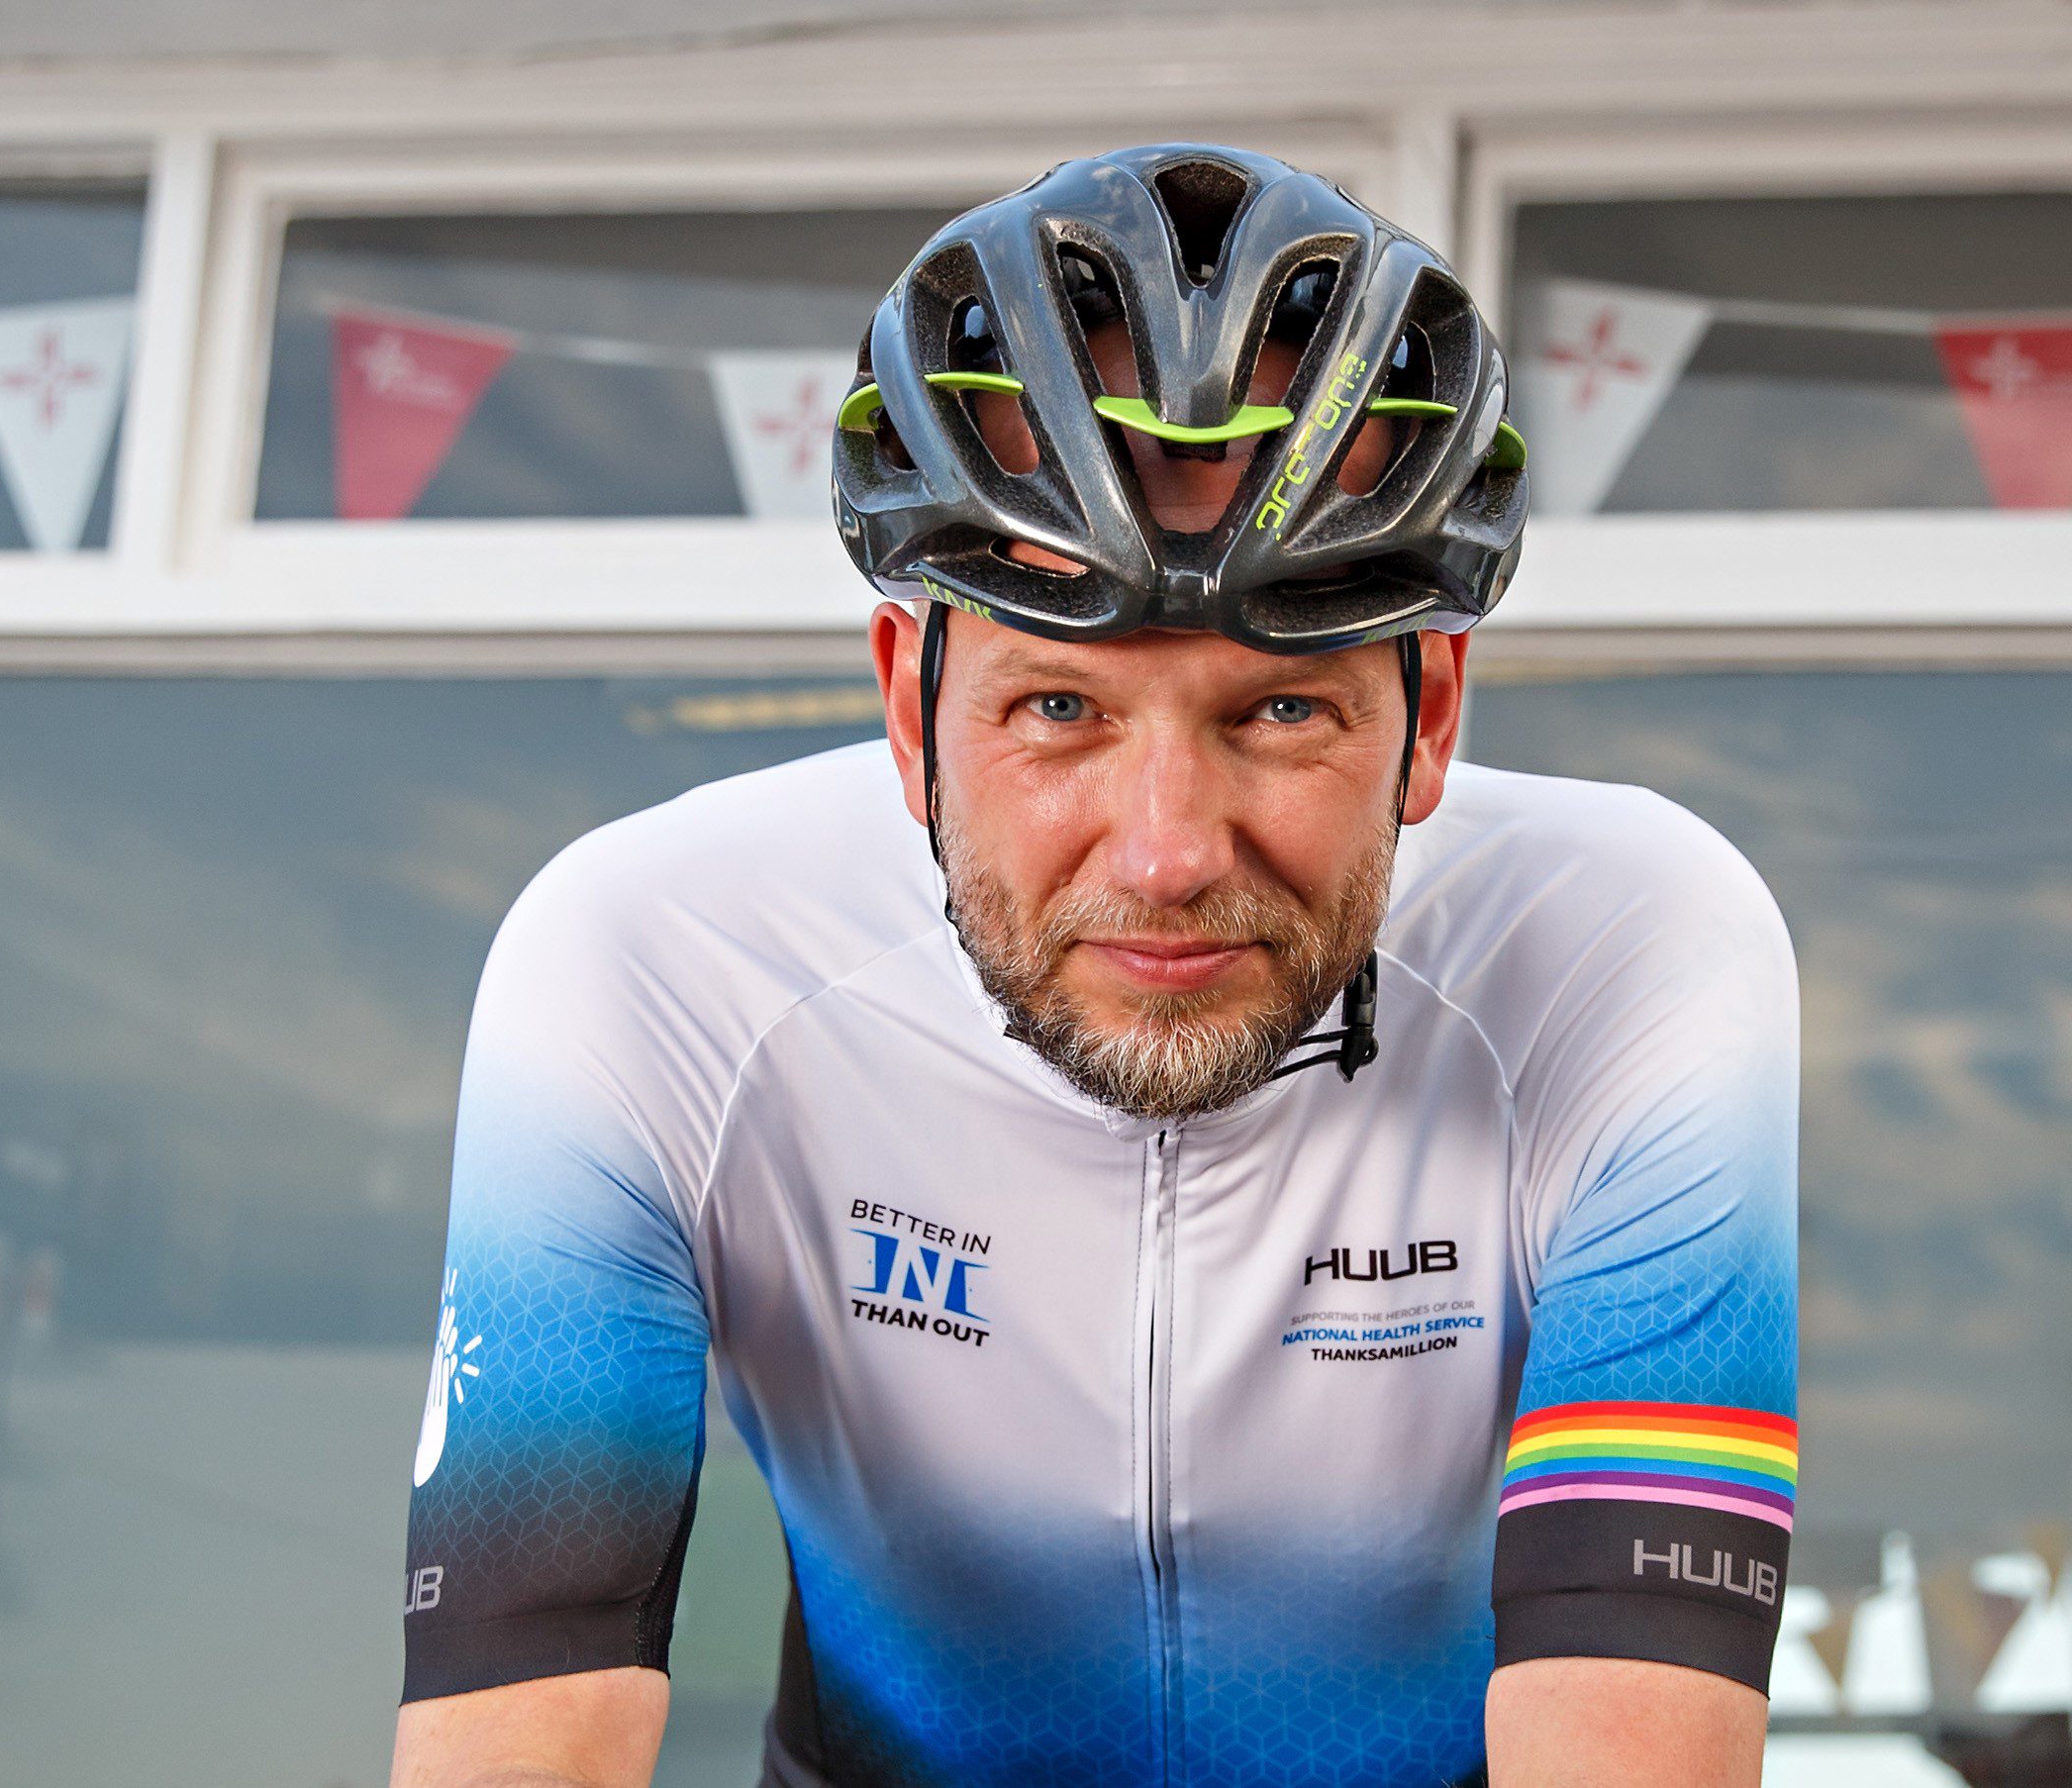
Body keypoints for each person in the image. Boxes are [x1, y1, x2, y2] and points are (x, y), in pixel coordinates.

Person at [391, 144, 1797, 1788]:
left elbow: (1631, 1744)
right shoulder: (649, 959)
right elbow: (515, 1734)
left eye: (1279, 708)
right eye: (1057, 707)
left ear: (1433, 714)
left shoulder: (1625, 951)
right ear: (908, 702)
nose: (1166, 851)